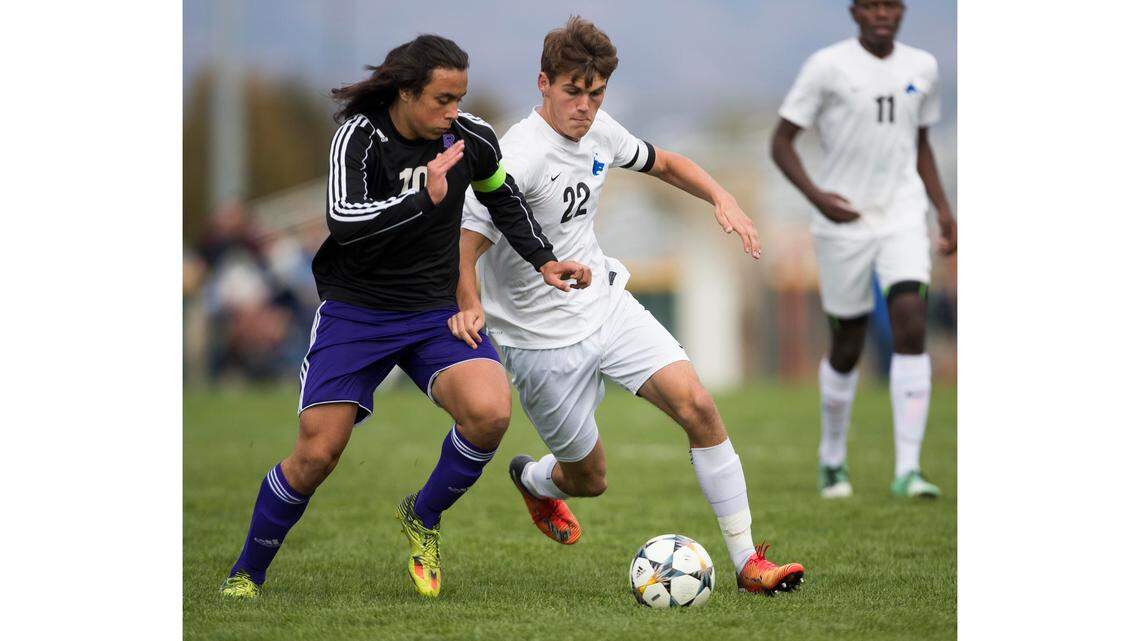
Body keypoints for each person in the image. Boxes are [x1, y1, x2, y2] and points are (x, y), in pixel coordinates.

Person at [220, 34, 591, 600]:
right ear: (405, 92)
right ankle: (247, 573)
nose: (453, 112)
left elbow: (502, 198)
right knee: (318, 453)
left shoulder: (470, 137)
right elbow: (344, 220)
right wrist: (425, 197)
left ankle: (423, 515)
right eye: (442, 99)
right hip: (356, 313)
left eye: (459, 98)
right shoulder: (359, 136)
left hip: (434, 313)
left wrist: (544, 260)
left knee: (489, 412)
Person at [458, 16, 804, 595]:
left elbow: (665, 162)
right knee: (589, 481)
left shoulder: (600, 132)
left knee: (698, 406)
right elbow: (464, 246)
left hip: (606, 306)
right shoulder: (514, 157)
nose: (585, 108)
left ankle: (749, 563)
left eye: (595, 95)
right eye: (573, 92)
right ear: (543, 83)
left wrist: (722, 197)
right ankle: (535, 479)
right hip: (539, 342)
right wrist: (468, 306)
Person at [769, 0, 957, 499]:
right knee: (848, 342)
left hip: (901, 214)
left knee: (911, 318)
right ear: (854, 12)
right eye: (871, 6)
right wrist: (818, 198)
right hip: (843, 222)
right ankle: (832, 458)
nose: (882, 14)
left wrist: (943, 210)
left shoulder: (923, 67)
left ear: (902, 11)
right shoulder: (827, 67)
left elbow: (920, 144)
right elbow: (781, 142)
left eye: (890, 6)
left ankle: (909, 469)